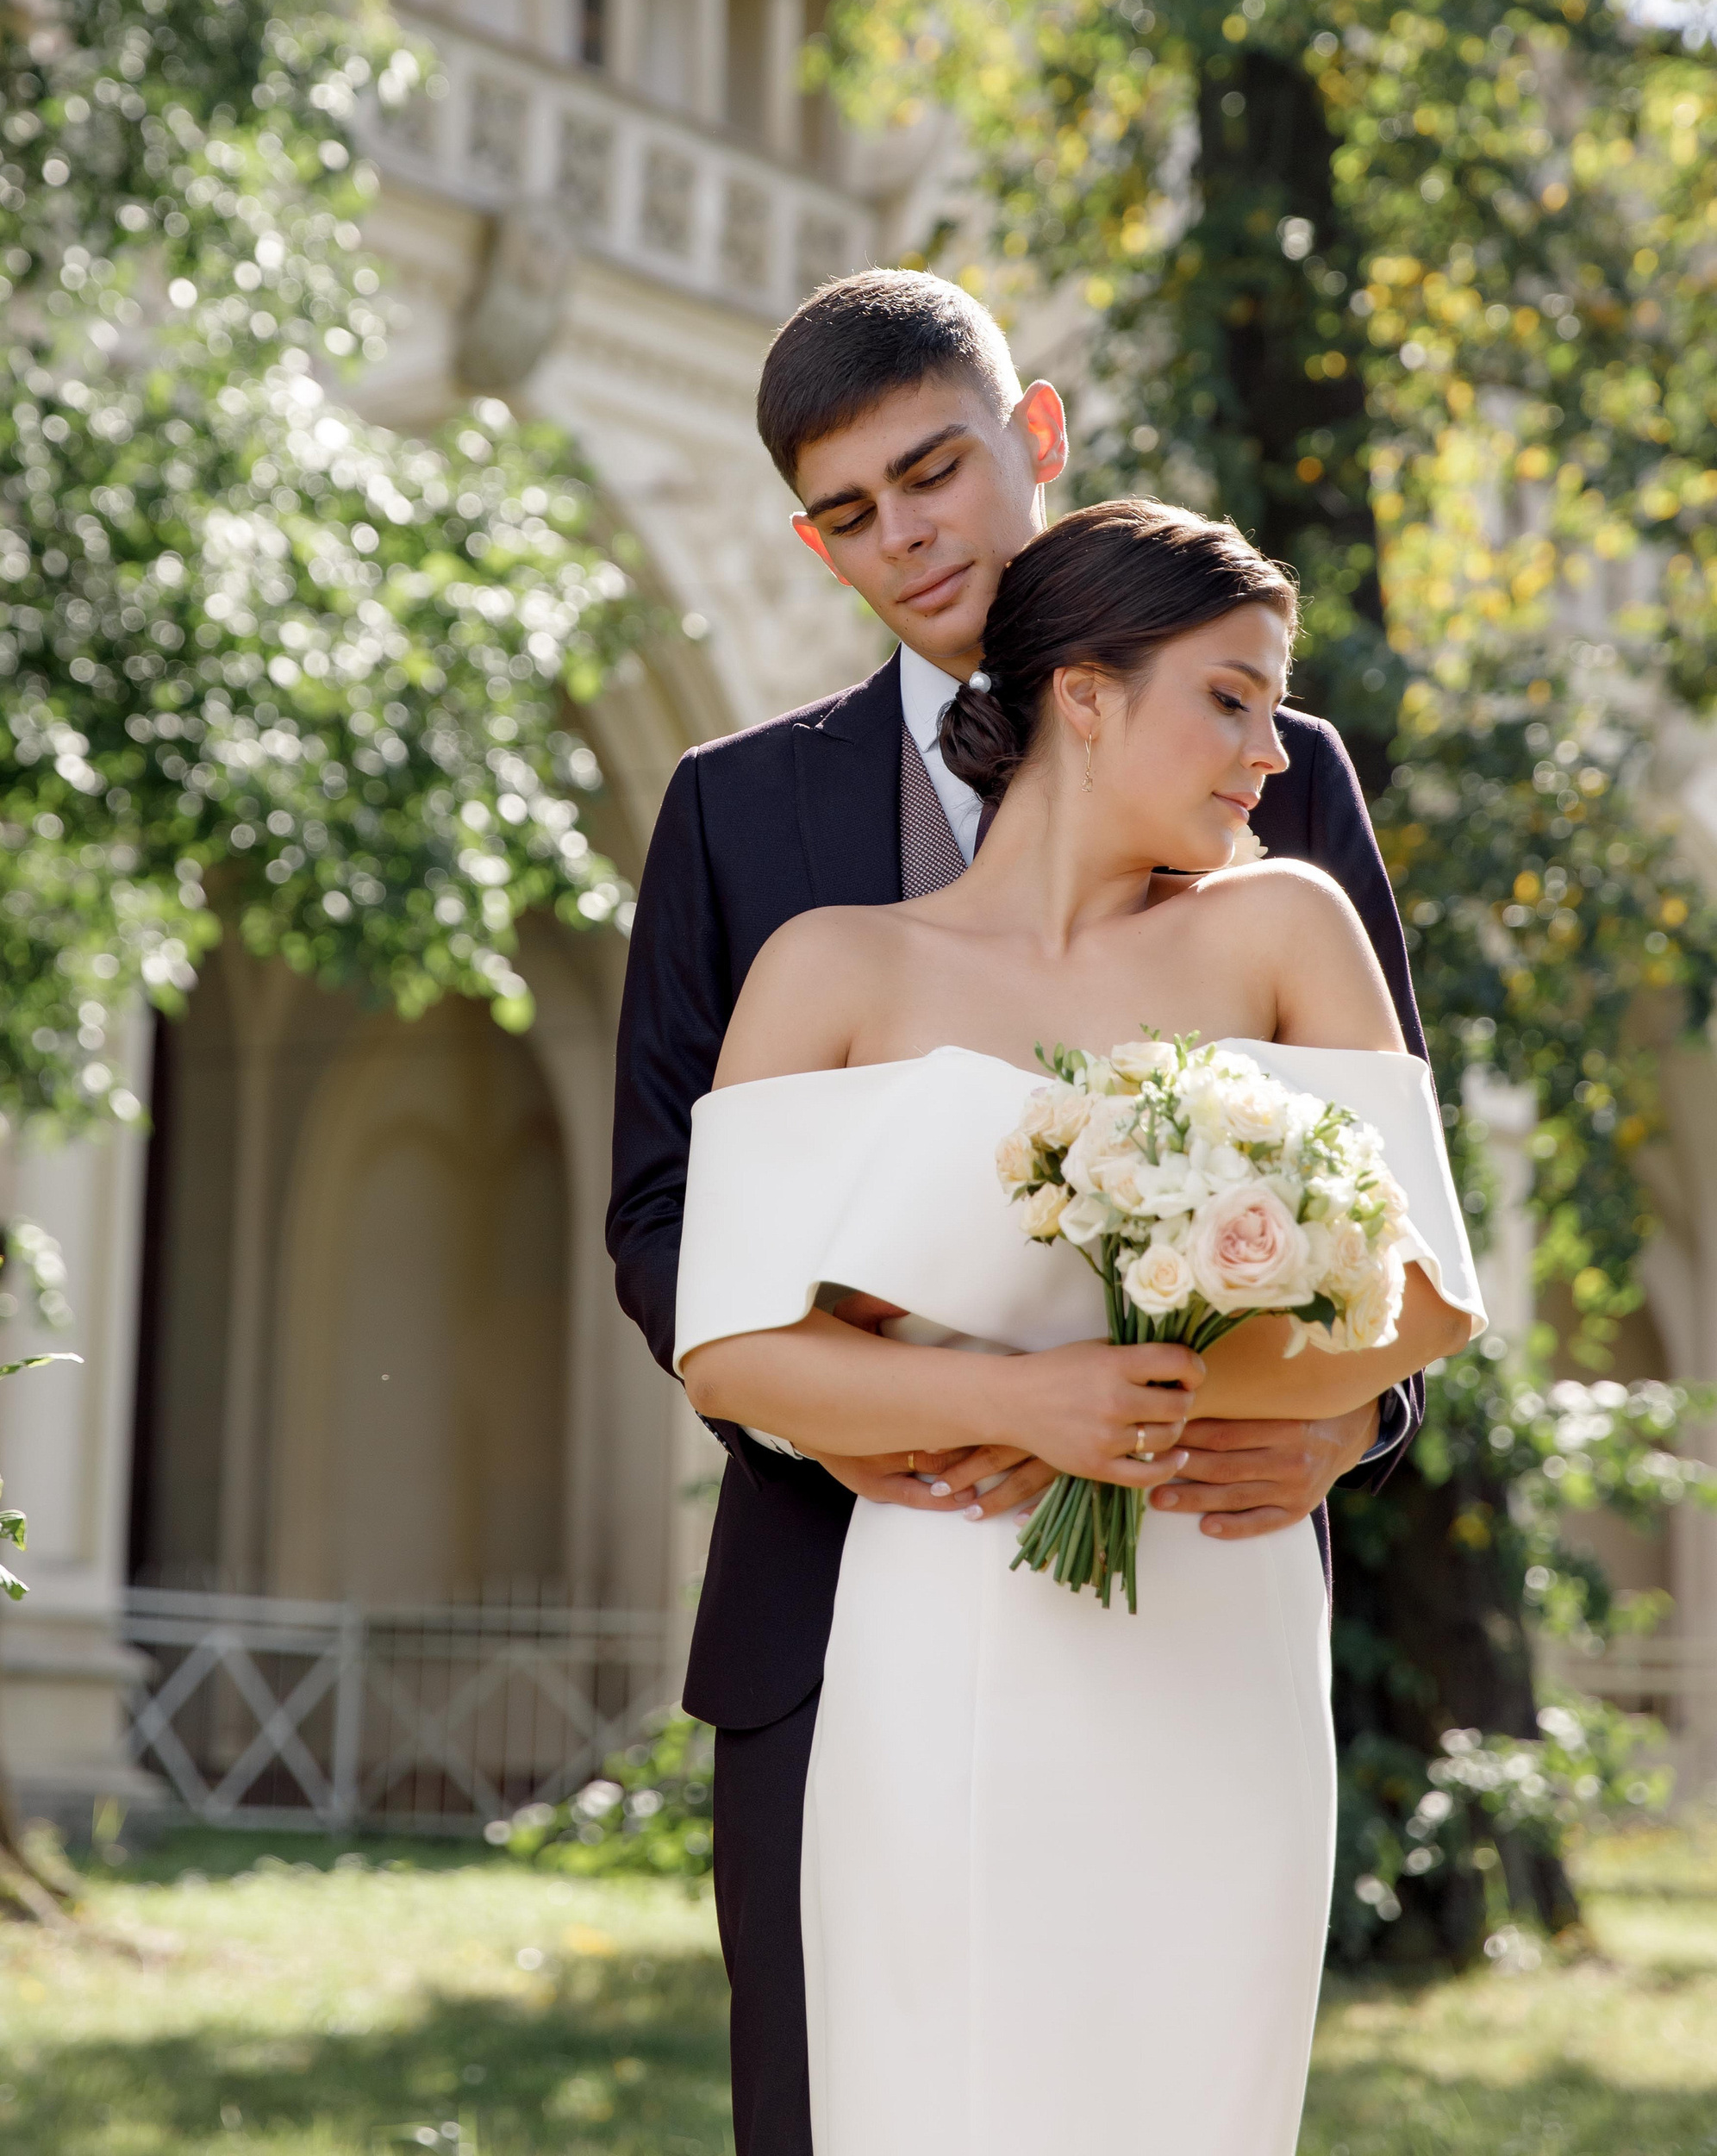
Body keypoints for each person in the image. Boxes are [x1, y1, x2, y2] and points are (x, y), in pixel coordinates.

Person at [606, 268, 1430, 2156]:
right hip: (841, 1593)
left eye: (933, 472)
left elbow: (1382, 1177)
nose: (903, 538)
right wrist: (863, 1409)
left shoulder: (1272, 773)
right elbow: (662, 1210)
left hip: (1199, 1592)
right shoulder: (736, 813)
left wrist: (1336, 1410)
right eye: (846, 512)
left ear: (1031, 435)